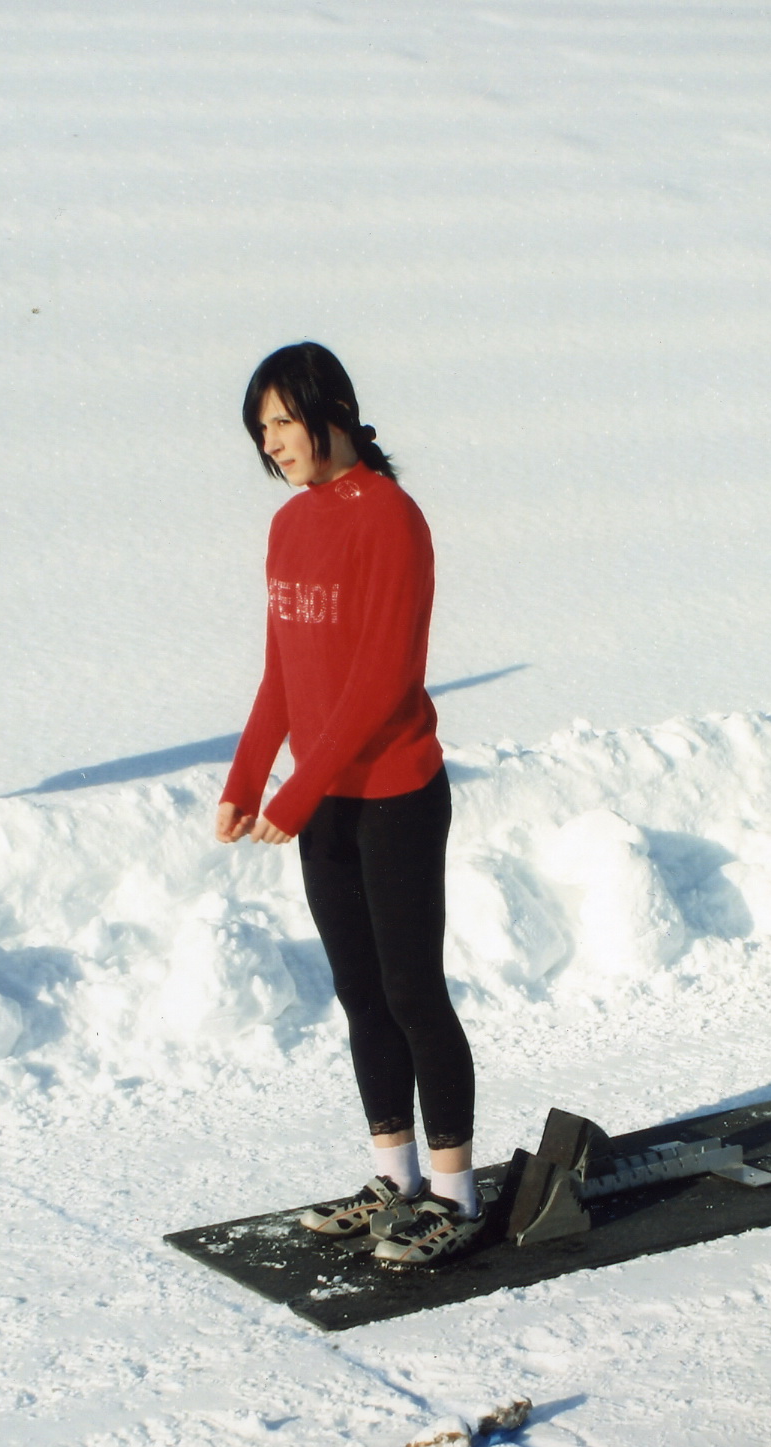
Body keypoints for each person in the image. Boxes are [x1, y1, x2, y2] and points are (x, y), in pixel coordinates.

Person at [216, 342, 484, 1269]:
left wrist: (291, 793)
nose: (275, 443)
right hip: (320, 798)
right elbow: (284, 671)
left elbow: (380, 682)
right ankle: (394, 1172)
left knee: (412, 991)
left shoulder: (393, 520)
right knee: (359, 993)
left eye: (285, 421)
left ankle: (454, 1192)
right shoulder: (292, 527)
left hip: (394, 793)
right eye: (263, 430)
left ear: (332, 410)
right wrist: (247, 778)